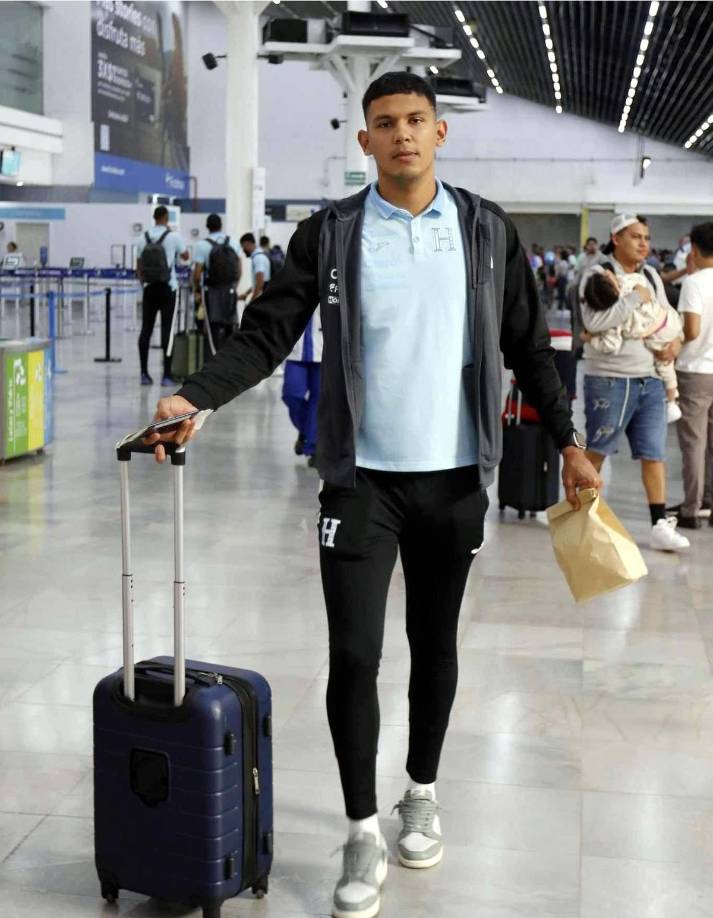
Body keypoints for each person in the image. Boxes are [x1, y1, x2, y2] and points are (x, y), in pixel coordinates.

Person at [145, 71, 600, 918]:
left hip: (454, 481)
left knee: (434, 645)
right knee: (354, 656)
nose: (402, 135)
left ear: (440, 133)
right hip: (360, 482)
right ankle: (360, 828)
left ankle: (419, 792)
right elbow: (267, 333)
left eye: (416, 120)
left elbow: (528, 346)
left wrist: (567, 441)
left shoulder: (484, 230)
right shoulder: (332, 232)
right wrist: (195, 396)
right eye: (385, 123)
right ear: (365, 141)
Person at [580, 213, 688, 551]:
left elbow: (666, 315)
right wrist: (635, 298)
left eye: (647, 237)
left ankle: (659, 524)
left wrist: (676, 342)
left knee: (654, 453)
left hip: (651, 379)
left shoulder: (651, 275)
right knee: (597, 450)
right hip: (610, 380)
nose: (644, 244)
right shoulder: (597, 275)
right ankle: (582, 517)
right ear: (616, 239)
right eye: (636, 237)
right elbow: (594, 321)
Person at [583, 269, 683, 423]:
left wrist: (591, 339)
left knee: (665, 367)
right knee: (666, 364)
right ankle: (671, 400)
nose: (607, 272)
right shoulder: (631, 283)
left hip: (656, 335)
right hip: (668, 320)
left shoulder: (615, 320)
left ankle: (671, 401)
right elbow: (642, 287)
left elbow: (610, 344)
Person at [674, 221, 713, 529]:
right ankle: (709, 502)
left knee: (694, 443)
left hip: (695, 372)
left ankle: (691, 509)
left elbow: (692, 329)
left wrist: (673, 344)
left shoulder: (694, 283)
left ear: (695, 249)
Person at [136, 206, 188, 386]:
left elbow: (139, 268)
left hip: (149, 289)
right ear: (166, 218)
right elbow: (186, 255)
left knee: (146, 330)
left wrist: (145, 283)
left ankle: (144, 374)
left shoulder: (142, 238)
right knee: (167, 331)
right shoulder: (173, 237)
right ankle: (166, 375)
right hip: (168, 288)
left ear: (154, 218)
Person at [192, 213, 241, 354]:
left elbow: (197, 274)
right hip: (230, 289)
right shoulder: (233, 243)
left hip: (211, 290)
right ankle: (229, 358)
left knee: (213, 324)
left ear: (207, 226)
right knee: (230, 324)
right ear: (221, 225)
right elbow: (239, 270)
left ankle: (214, 356)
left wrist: (197, 291)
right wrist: (234, 286)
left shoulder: (201, 245)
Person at [283, 301, 322, 466]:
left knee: (318, 401)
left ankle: (314, 448)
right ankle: (308, 431)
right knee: (291, 395)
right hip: (296, 350)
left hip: (324, 349)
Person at [238, 233, 271, 307]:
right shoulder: (259, 255)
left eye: (243, 246)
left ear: (247, 243)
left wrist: (251, 302)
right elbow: (257, 282)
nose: (243, 250)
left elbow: (260, 283)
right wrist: (246, 294)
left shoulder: (258, 258)